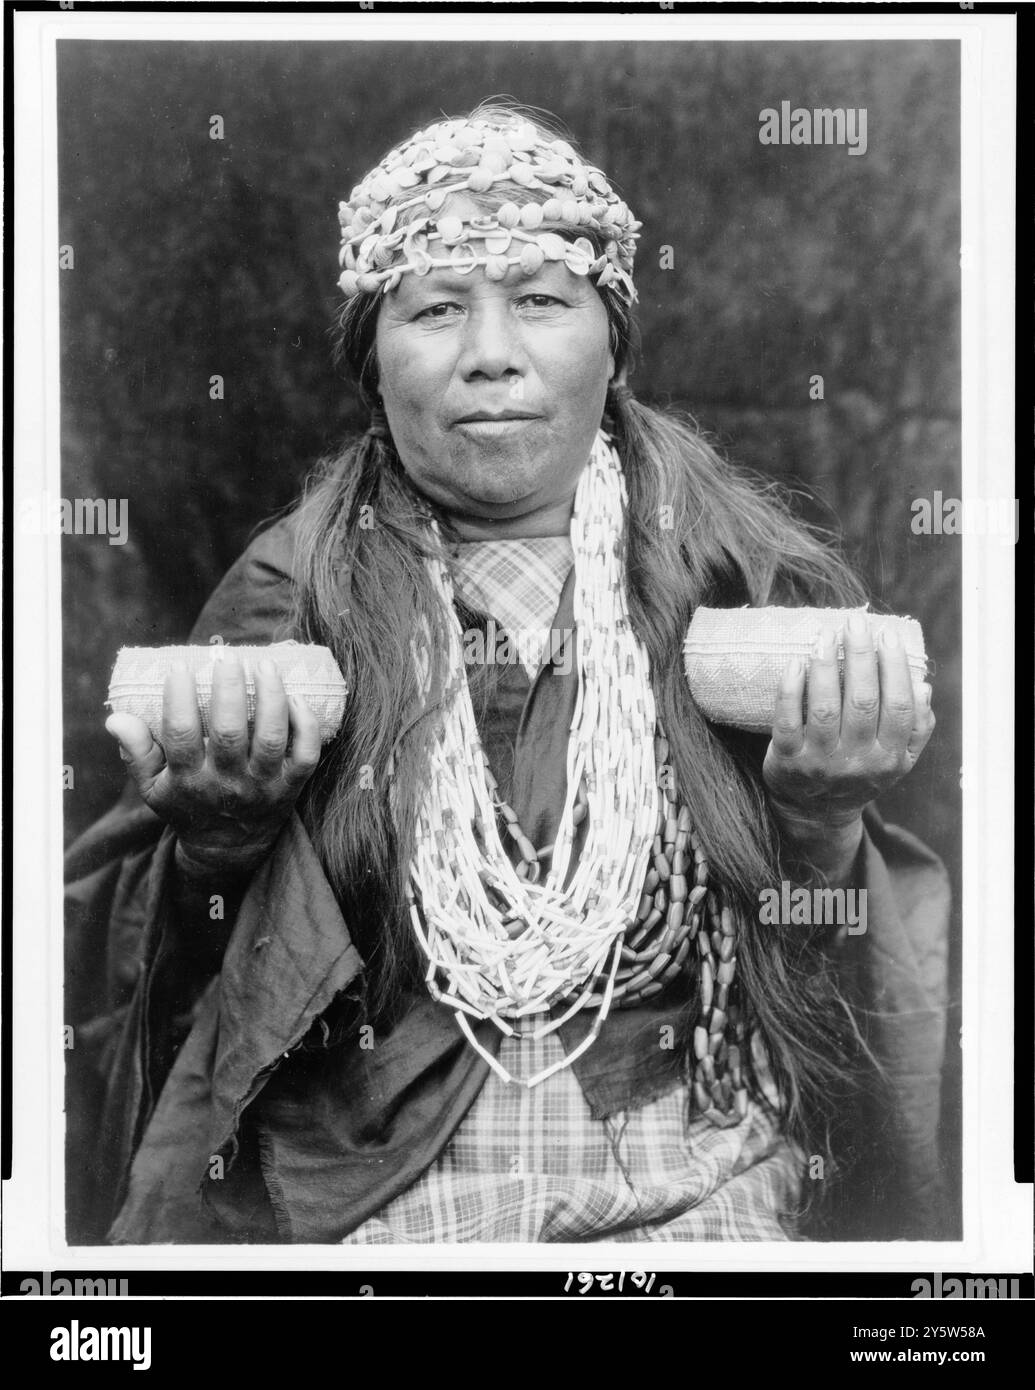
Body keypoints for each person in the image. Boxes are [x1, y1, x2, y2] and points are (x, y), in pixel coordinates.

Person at [65, 102, 951, 1245]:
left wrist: (821, 819)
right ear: (371, 362)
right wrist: (220, 847)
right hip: (376, 1190)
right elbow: (162, 970)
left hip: (696, 1170)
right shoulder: (293, 593)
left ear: (613, 339)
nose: (491, 350)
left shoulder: (737, 571)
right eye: (436, 308)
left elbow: (824, 953)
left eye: (540, 298)